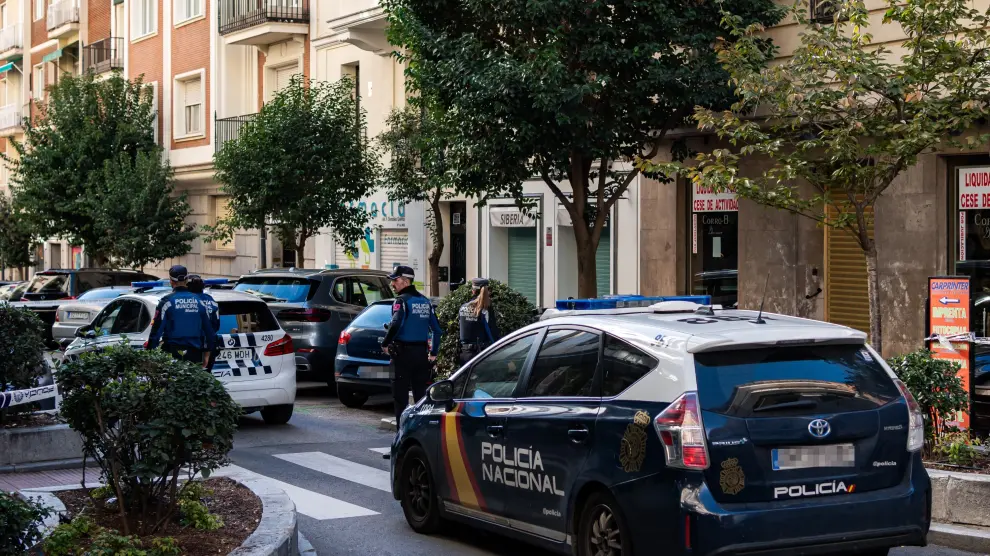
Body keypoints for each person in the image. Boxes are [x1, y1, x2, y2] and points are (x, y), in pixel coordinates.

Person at [380, 265, 443, 423]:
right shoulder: (425, 302)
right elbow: (437, 330)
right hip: (421, 356)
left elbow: (396, 324)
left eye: (395, 280)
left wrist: (385, 343)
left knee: (400, 398)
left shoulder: (401, 301)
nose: (392, 284)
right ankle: (419, 431)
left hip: (401, 356)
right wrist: (433, 353)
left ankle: (402, 433)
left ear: (406, 281)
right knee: (421, 398)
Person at [147, 265, 216, 367]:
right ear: (187, 280)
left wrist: (149, 354)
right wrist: (207, 353)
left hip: (172, 353)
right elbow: (209, 331)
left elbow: (156, 331)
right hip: (195, 353)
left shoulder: (166, 301)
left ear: (171, 281)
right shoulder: (199, 301)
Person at [458, 278, 501, 366]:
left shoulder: (463, 307)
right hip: (480, 355)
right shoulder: (485, 309)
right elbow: (493, 333)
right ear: (486, 291)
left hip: (464, 354)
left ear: (473, 291)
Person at [187, 275, 220, 371]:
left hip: (191, 345)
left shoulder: (187, 301)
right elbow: (216, 325)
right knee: (206, 375)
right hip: (209, 345)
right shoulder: (211, 300)